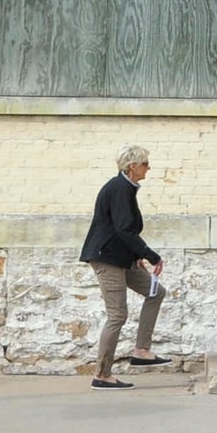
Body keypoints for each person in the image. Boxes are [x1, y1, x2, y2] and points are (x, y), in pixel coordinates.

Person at [81, 145, 168, 388]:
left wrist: (135, 254)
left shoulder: (126, 188)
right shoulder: (119, 188)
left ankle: (142, 351)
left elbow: (121, 229)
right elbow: (123, 229)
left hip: (121, 257)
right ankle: (101, 374)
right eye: (145, 164)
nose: (148, 168)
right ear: (132, 166)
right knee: (117, 315)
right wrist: (150, 256)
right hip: (107, 258)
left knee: (156, 292)